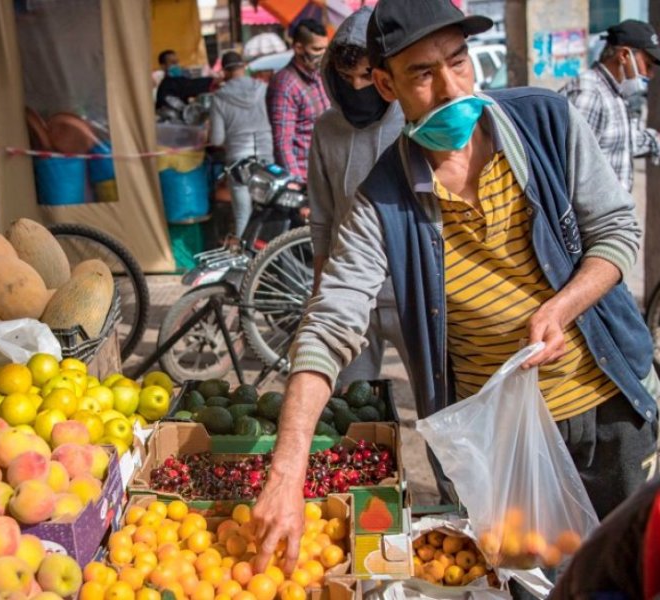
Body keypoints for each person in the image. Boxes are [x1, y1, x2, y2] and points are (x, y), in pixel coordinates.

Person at [251, 0, 660, 575]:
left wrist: (564, 306)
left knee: (635, 573)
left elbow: (616, 232)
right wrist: (286, 474)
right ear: (386, 84)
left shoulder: (547, 123)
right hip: (504, 446)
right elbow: (330, 322)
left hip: (611, 410)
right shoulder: (382, 201)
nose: (450, 87)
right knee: (529, 582)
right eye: (422, 73)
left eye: (458, 61)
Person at [308, 7, 407, 385]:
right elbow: (322, 218)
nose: (358, 88)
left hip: (409, 290)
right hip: (348, 291)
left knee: (440, 411)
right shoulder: (326, 128)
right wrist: (320, 296)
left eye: (367, 75)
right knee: (351, 408)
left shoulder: (411, 119)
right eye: (346, 78)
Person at [560, 20, 660, 192]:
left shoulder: (615, 93)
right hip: (596, 216)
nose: (650, 75)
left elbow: (618, 142)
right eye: (647, 65)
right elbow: (571, 164)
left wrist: (654, 140)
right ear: (624, 56)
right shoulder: (589, 92)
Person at [209, 51, 274, 236]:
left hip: (238, 160)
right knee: (269, 209)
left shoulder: (219, 98)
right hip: (265, 153)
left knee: (242, 213)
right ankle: (272, 256)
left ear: (224, 72)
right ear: (244, 66)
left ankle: (246, 260)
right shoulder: (263, 89)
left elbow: (217, 139)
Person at [266, 19, 329, 181]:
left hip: (328, 173)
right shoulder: (285, 84)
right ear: (299, 48)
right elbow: (283, 144)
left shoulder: (320, 76)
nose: (323, 54)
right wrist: (298, 186)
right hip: (306, 178)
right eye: (317, 49)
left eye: (325, 48)